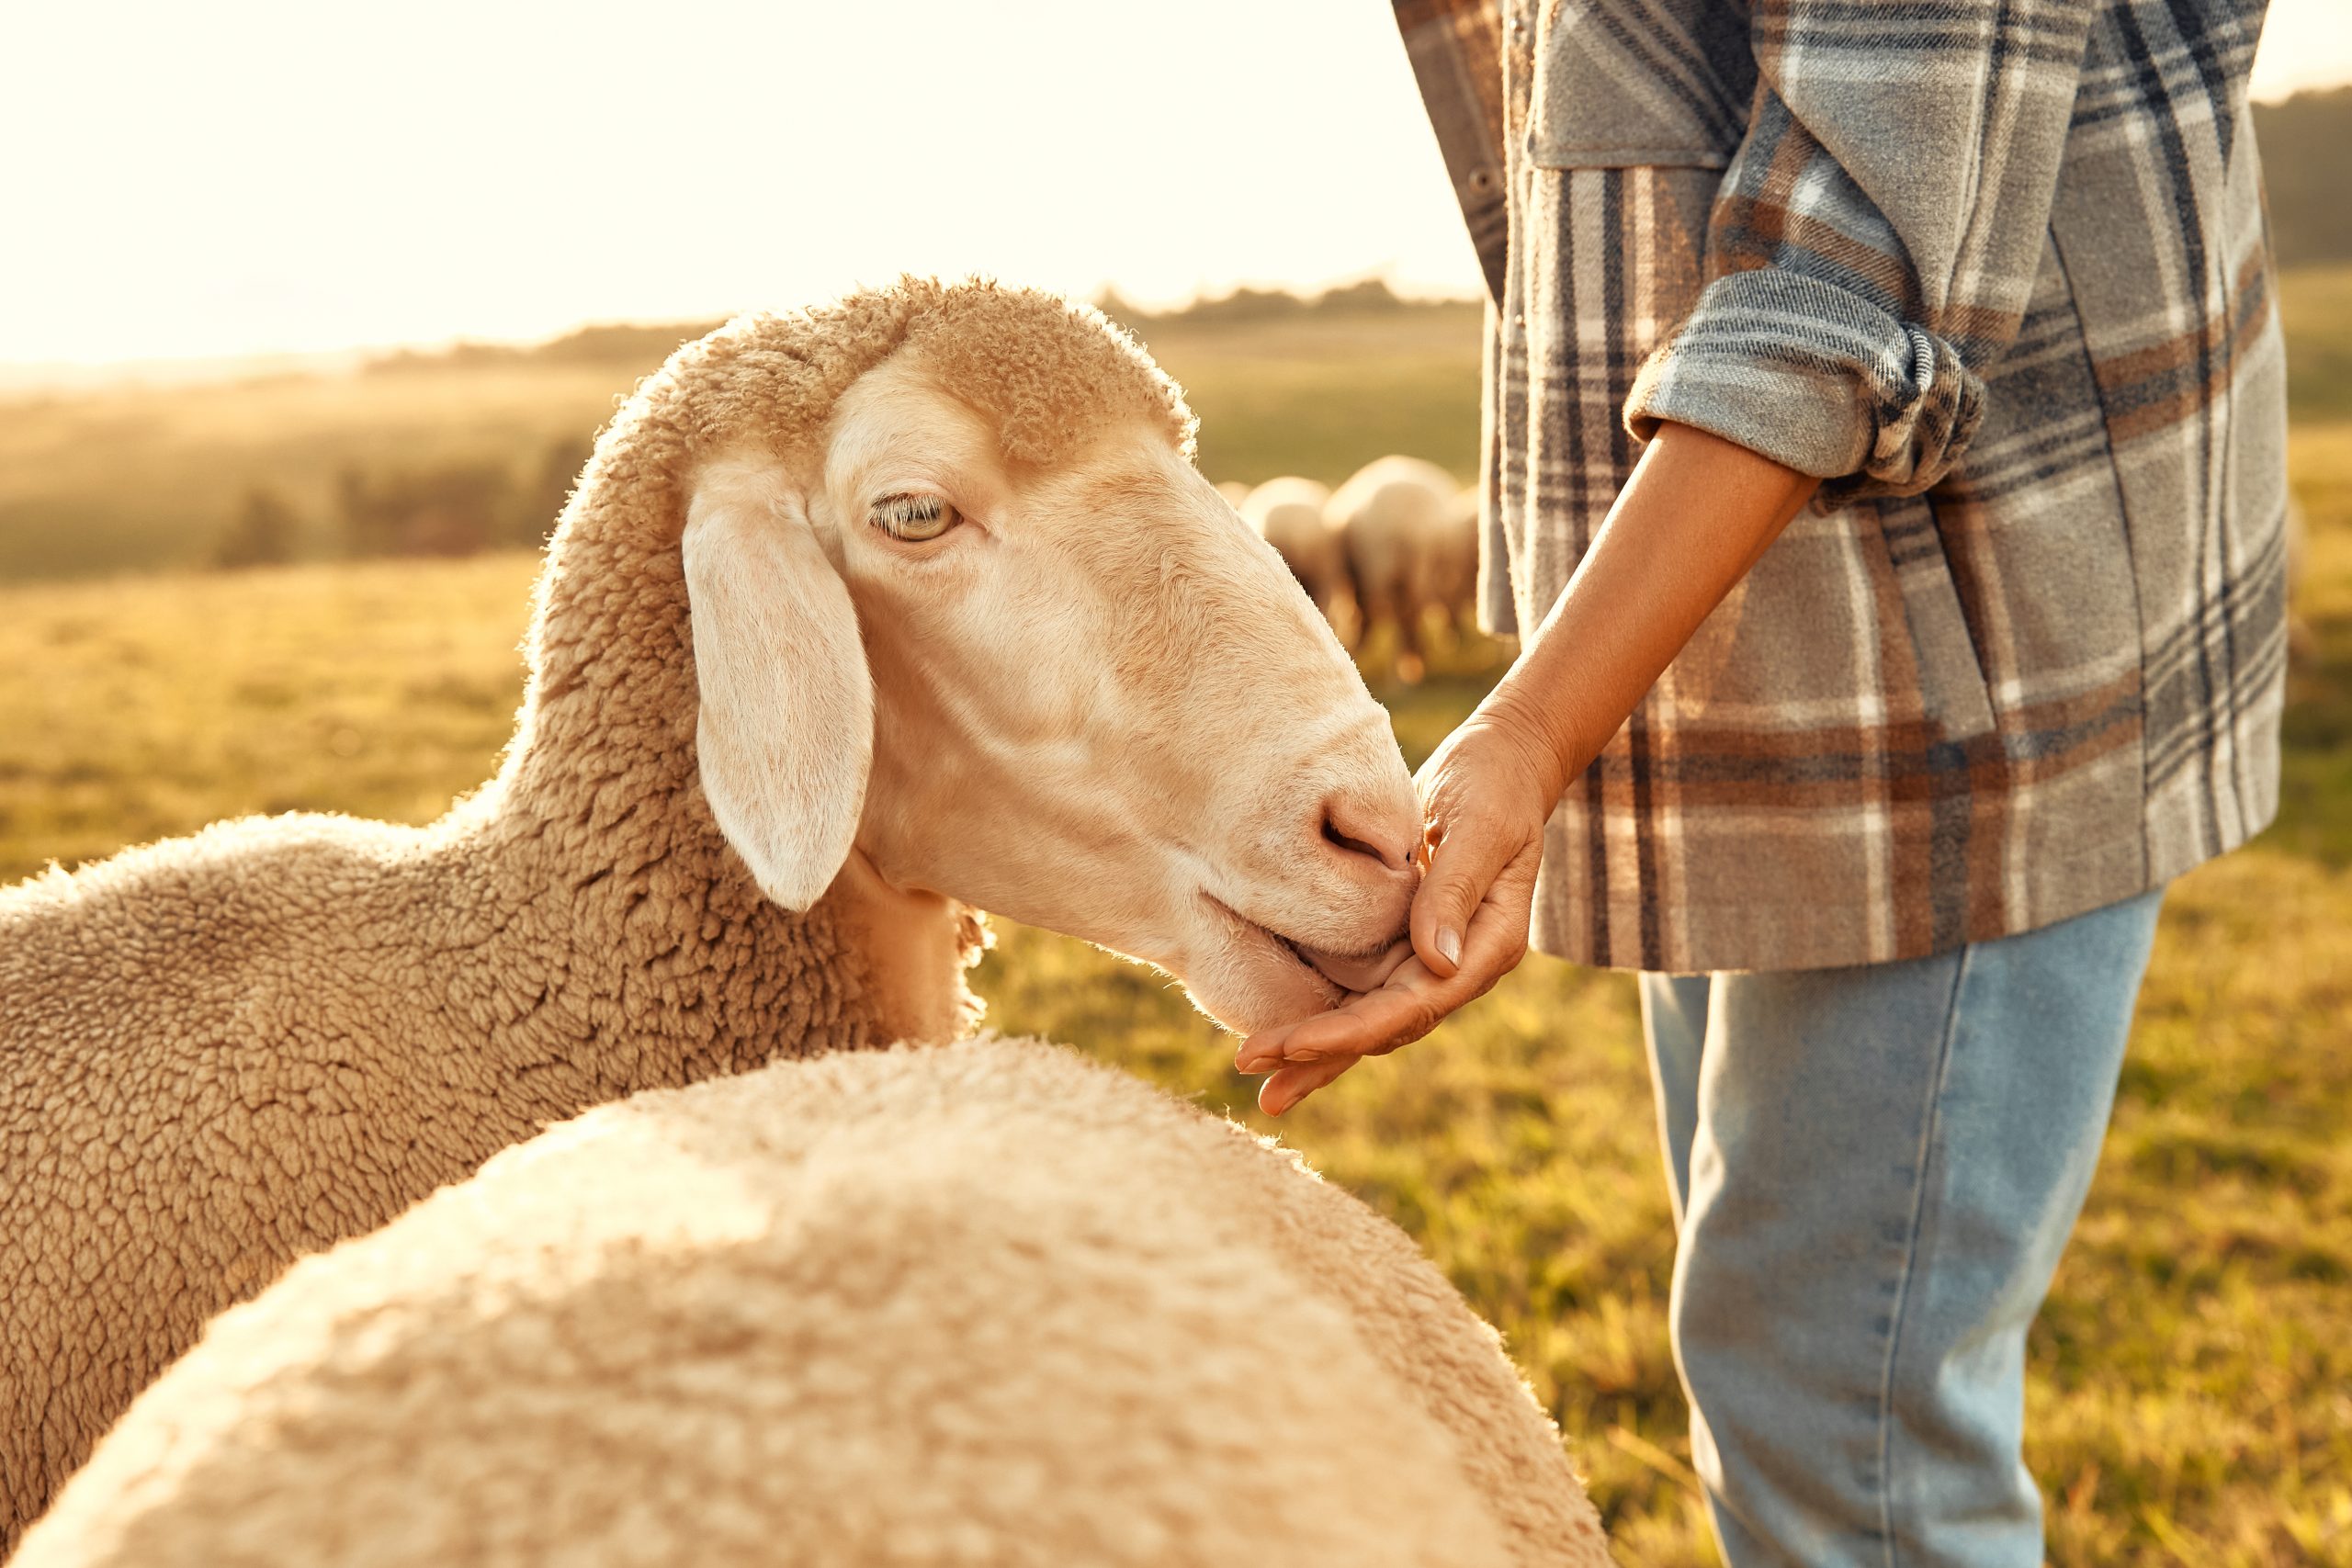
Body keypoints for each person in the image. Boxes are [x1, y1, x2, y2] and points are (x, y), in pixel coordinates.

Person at [1237, 1, 2288, 1562]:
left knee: (1842, 1438)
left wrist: (1527, 734)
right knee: (1778, 1369)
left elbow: (1853, 263)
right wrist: (1572, 717)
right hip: (1705, 671)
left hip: (1960, 670)